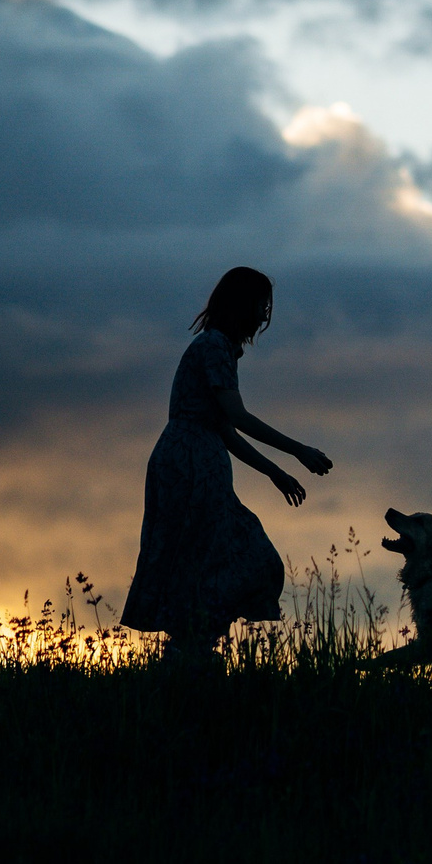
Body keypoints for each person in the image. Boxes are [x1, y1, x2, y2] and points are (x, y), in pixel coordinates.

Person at [119, 266, 332, 663]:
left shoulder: (216, 348)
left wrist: (276, 473)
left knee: (205, 555)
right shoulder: (214, 346)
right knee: (219, 553)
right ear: (243, 305)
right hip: (190, 463)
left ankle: (191, 649)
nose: (264, 315)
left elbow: (226, 430)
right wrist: (297, 450)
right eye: (261, 305)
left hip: (193, 460)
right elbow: (236, 418)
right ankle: (191, 649)